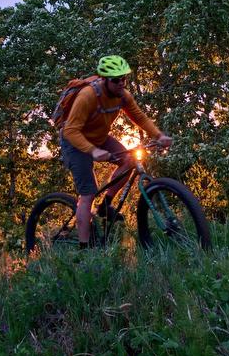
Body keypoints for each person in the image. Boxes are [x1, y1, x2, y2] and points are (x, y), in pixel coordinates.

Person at [60, 55, 172, 248]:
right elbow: (70, 131)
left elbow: (139, 117)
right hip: (75, 141)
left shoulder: (123, 96)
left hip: (99, 137)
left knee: (129, 160)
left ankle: (106, 205)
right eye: (116, 79)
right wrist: (93, 151)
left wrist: (158, 136)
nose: (121, 83)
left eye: (124, 78)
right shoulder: (87, 96)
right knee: (87, 194)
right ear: (104, 79)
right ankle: (85, 248)